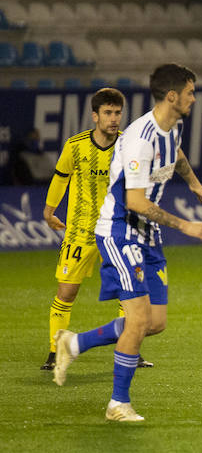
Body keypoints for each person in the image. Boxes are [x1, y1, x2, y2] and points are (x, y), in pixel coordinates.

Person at [51, 64, 202, 420]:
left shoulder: (173, 125)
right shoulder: (140, 139)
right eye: (190, 91)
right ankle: (118, 403)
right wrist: (185, 226)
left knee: (155, 323)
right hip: (120, 230)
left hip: (147, 234)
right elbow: (136, 202)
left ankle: (74, 342)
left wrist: (193, 183)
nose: (193, 97)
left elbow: (177, 153)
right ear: (172, 96)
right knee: (138, 320)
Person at [39, 88, 154, 372]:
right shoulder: (76, 145)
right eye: (108, 113)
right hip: (80, 231)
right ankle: (56, 352)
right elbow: (61, 177)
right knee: (66, 293)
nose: (114, 119)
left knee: (129, 292)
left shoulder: (129, 146)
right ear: (95, 115)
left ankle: (130, 349)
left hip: (117, 231)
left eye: (117, 113)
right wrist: (49, 209)